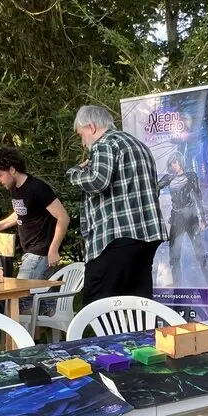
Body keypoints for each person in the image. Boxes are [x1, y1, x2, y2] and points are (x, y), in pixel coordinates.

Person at [66, 105, 166, 304]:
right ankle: (139, 336)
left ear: (91, 127)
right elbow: (154, 189)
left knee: (97, 305)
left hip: (115, 238)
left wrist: (75, 172)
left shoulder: (105, 144)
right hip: (147, 236)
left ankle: (100, 337)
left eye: (81, 135)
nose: (83, 143)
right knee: (139, 305)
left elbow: (97, 181)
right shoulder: (139, 146)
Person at [0, 147, 70, 278]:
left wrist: (53, 249)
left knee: (20, 295)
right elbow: (21, 212)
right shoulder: (16, 189)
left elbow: (63, 217)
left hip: (40, 253)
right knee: (40, 296)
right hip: (30, 253)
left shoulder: (37, 188)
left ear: (12, 170)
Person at [157, 150, 208, 286]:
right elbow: (154, 187)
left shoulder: (191, 176)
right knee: (174, 256)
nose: (173, 166)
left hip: (191, 217)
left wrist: (203, 218)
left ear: (180, 162)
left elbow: (198, 197)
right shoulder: (168, 178)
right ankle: (178, 287)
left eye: (175, 162)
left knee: (200, 253)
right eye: (171, 163)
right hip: (177, 218)